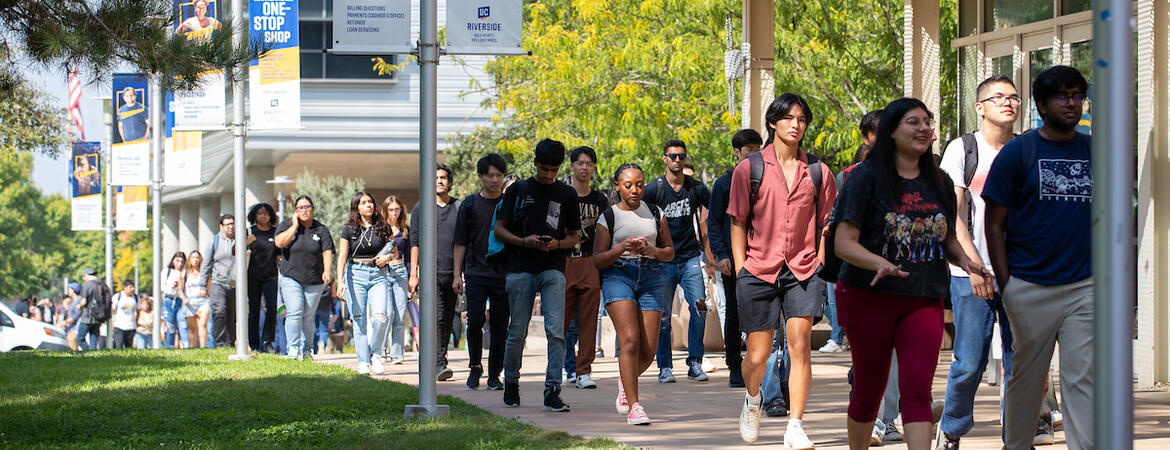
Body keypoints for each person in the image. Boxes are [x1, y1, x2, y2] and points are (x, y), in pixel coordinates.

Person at [831, 97, 989, 449]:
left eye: (927, 122)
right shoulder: (865, 179)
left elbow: (946, 238)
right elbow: (844, 242)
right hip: (868, 296)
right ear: (891, 131)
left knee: (917, 390)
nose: (924, 128)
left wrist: (966, 262)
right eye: (913, 122)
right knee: (869, 389)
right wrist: (878, 262)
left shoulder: (940, 183)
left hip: (923, 297)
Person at [982, 66, 1094, 450]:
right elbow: (994, 224)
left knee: (1083, 378)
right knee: (1028, 378)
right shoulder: (1019, 152)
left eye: (1077, 95)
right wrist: (1008, 284)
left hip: (1086, 285)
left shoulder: (1096, 150)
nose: (1071, 103)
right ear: (1041, 105)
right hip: (1029, 284)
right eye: (1062, 96)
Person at [729, 94, 837, 447]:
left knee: (800, 346)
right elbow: (738, 221)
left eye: (802, 119)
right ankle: (753, 398)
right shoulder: (750, 168)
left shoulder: (819, 171)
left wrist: (819, 261)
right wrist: (743, 268)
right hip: (759, 269)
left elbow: (826, 224)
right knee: (758, 357)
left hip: (804, 270)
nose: (796, 125)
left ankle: (795, 424)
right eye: (789, 118)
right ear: (773, 123)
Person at [934, 74, 1021, 449]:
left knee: (1021, 363)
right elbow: (954, 215)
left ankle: (1016, 436)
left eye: (1015, 97)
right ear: (979, 107)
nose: (1009, 103)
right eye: (999, 97)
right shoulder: (963, 148)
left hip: (1021, 274)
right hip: (969, 271)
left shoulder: (1026, 148)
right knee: (969, 361)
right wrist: (974, 266)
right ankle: (952, 428)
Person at [495, 138, 581, 411]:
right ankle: (511, 382)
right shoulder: (518, 189)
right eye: (544, 168)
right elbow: (499, 228)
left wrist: (555, 244)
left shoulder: (567, 194)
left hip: (553, 266)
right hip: (520, 266)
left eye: (553, 170)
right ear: (535, 163)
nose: (548, 174)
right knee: (517, 331)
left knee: (556, 330)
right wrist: (524, 241)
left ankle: (552, 390)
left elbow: (574, 237)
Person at [594, 163, 675, 425]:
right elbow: (598, 260)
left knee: (649, 350)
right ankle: (635, 406)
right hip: (618, 275)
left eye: (639, 184)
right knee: (629, 340)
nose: (634, 190)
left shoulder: (655, 212)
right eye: (628, 185)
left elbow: (669, 252)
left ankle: (624, 378)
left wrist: (651, 251)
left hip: (651, 275)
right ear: (617, 186)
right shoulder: (608, 216)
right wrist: (623, 247)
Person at [643, 139, 714, 383]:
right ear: (664, 158)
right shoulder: (654, 190)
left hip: (690, 259)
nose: (676, 160)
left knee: (700, 308)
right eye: (672, 156)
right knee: (663, 316)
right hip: (663, 261)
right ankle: (665, 367)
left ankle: (695, 362)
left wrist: (713, 253)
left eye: (681, 156)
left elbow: (714, 214)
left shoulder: (695, 188)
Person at [820, 109, 882, 355]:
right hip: (856, 264)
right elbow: (836, 220)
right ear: (866, 138)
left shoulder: (916, 174)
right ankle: (842, 341)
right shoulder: (848, 177)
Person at [709, 128, 764, 388]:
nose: (754, 155)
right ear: (737, 152)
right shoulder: (724, 182)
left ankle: (758, 362)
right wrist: (720, 255)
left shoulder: (766, 177)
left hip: (761, 257)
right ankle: (734, 364)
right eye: (749, 150)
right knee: (733, 312)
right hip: (731, 259)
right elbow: (715, 221)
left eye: (757, 149)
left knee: (760, 313)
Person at [453, 154, 510, 390]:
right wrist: (457, 274)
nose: (495, 180)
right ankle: (475, 366)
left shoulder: (509, 203)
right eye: (490, 175)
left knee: (499, 326)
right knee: (474, 321)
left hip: (504, 274)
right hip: (476, 273)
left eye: (499, 175)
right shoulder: (469, 205)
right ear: (481, 177)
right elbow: (460, 242)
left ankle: (495, 373)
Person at [559, 146, 609, 389]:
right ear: (572, 166)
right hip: (564, 261)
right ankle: (560, 366)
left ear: (594, 167)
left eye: (589, 163)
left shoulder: (600, 199)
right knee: (561, 321)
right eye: (580, 163)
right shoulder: (560, 195)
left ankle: (583, 371)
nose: (584, 167)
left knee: (589, 321)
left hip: (590, 261)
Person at [409, 164, 461, 380]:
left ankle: (437, 360)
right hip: (429, 272)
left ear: (449, 181)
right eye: (435, 178)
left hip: (452, 271)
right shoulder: (421, 208)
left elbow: (463, 242)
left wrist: (460, 272)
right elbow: (415, 242)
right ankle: (437, 362)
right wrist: (414, 273)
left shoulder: (459, 206)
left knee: (447, 318)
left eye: (443, 178)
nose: (439, 181)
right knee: (436, 317)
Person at [336, 191, 395, 375]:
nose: (368, 205)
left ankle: (375, 353)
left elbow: (395, 251)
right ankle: (363, 361)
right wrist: (340, 281)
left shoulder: (383, 226)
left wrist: (388, 257)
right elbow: (342, 256)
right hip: (356, 273)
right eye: (363, 203)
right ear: (357, 207)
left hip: (378, 274)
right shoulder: (349, 229)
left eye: (370, 202)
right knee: (359, 318)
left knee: (381, 316)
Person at [275, 195, 335, 360]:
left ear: (313, 209)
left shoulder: (321, 229)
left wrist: (328, 271)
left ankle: (307, 349)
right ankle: (293, 347)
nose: (304, 210)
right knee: (294, 311)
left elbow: (327, 251)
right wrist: (294, 226)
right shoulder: (287, 225)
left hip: (314, 280)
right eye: (300, 207)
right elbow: (279, 243)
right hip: (291, 277)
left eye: (307, 207)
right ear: (295, 211)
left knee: (308, 316)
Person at [381, 195, 412, 364]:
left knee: (400, 314)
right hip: (383, 271)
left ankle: (397, 353)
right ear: (385, 210)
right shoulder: (380, 228)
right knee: (385, 313)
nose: (394, 212)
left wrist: (412, 277)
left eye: (397, 209)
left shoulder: (405, 229)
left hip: (400, 271)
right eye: (391, 209)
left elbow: (409, 256)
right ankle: (381, 349)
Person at [247, 203, 280, 353]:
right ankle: (253, 343)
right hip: (253, 276)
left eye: (266, 213)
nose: (263, 216)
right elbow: (235, 251)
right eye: (260, 213)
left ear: (270, 216)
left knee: (272, 307)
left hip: (271, 276)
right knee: (254, 310)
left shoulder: (275, 232)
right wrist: (246, 243)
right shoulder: (250, 232)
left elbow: (279, 255)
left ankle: (267, 341)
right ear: (255, 215)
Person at [201, 213, 238, 348]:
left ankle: (230, 342)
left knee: (232, 315)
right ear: (221, 227)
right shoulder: (215, 241)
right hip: (218, 282)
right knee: (220, 311)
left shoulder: (240, 239)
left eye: (232, 224)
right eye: (227, 224)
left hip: (234, 284)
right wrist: (202, 285)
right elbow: (206, 263)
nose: (230, 227)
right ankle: (220, 343)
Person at [180, 251, 212, 348]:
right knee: (192, 328)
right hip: (190, 302)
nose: (195, 259)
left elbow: (209, 288)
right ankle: (193, 347)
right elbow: (180, 290)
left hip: (203, 301)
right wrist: (183, 298)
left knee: (202, 324)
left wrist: (207, 293)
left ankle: (203, 347)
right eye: (193, 257)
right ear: (190, 259)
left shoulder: (204, 273)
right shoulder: (185, 273)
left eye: (197, 257)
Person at [160, 252, 186, 349]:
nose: (179, 264)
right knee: (170, 327)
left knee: (182, 325)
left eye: (182, 262)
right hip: (169, 300)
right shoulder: (167, 272)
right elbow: (162, 287)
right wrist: (172, 286)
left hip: (181, 301)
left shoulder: (184, 273)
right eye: (177, 261)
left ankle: (184, 346)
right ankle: (169, 347)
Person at [76, 268, 107, 350]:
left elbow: (84, 301)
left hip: (87, 316)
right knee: (94, 339)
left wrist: (79, 306)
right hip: (98, 316)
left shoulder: (87, 285)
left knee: (80, 339)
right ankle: (93, 354)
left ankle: (88, 354)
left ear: (85, 275)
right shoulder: (102, 284)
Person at [111, 280, 139, 349]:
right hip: (119, 326)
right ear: (125, 288)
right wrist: (112, 323)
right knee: (118, 346)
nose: (133, 289)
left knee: (129, 347)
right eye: (130, 287)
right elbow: (112, 310)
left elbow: (138, 310)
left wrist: (137, 322)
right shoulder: (118, 296)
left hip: (131, 326)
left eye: (133, 287)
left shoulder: (136, 297)